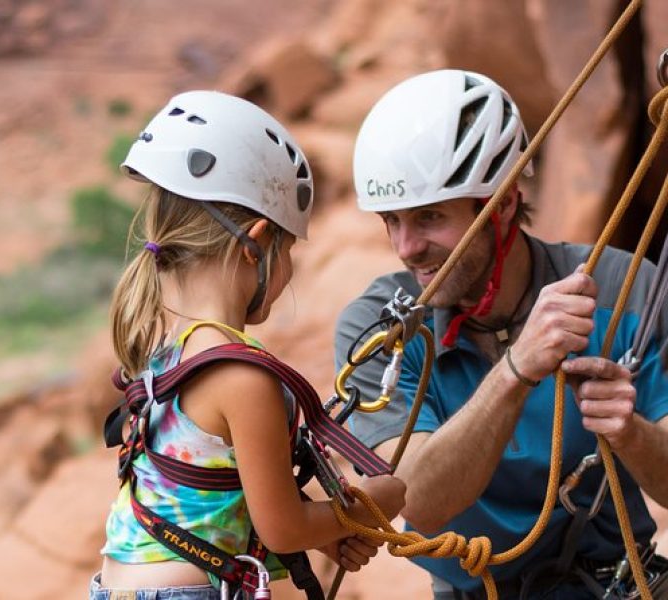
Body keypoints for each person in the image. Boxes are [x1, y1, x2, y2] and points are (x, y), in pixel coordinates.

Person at [335, 69, 668, 599]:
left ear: (504, 203)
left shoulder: (618, 289)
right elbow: (417, 498)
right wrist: (517, 370)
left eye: (428, 217)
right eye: (390, 220)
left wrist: (631, 432)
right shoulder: (382, 328)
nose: (405, 246)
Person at [93, 90, 406, 600]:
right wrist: (373, 503)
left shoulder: (167, 347)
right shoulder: (243, 376)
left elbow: (209, 483)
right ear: (254, 245)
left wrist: (324, 532)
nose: (287, 274)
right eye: (286, 252)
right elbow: (283, 529)